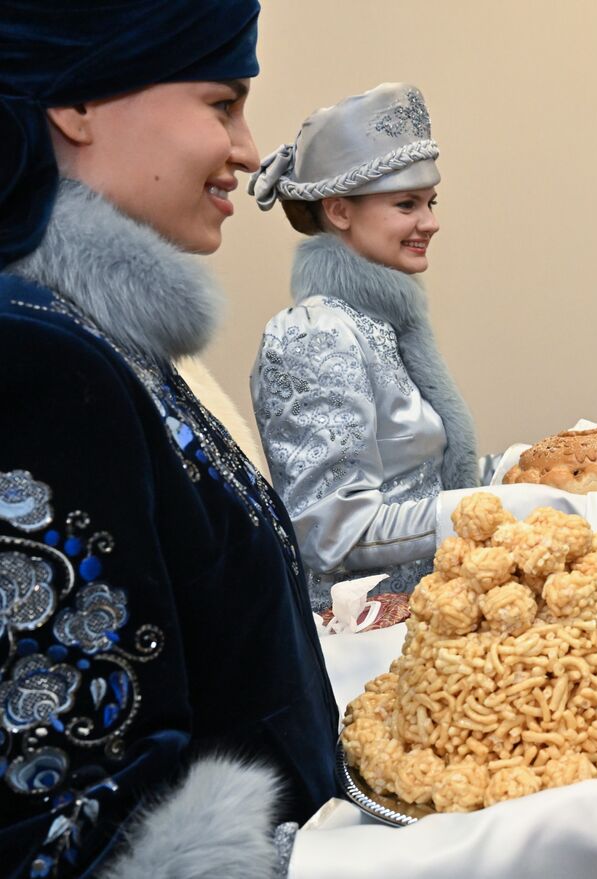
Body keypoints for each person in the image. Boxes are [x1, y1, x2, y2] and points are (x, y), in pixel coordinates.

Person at [0, 2, 339, 875]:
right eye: (221, 103)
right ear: (76, 104)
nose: (249, 149)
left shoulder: (93, 335)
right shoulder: (37, 356)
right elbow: (78, 820)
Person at [248, 84, 480, 612]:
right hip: (362, 641)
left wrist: (520, 470)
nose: (431, 222)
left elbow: (416, 482)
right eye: (406, 204)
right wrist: (488, 508)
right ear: (339, 211)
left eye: (431, 202)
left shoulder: (379, 321)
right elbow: (331, 532)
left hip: (426, 623)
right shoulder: (312, 334)